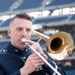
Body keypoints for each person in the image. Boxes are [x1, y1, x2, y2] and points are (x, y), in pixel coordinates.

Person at [0, 13, 67, 75]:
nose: (24, 34)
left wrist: (47, 61)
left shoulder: (41, 55)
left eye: (28, 30)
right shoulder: (1, 58)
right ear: (9, 32)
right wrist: (23, 71)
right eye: (19, 29)